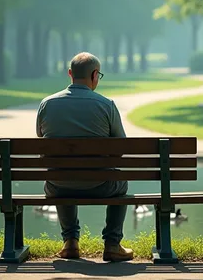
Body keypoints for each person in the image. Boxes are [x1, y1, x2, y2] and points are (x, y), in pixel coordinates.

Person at [36, 52, 133, 262]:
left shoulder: (47, 104)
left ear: (70, 74)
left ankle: (70, 242)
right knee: (121, 184)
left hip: (58, 185)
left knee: (60, 173)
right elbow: (120, 149)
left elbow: (42, 147)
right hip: (101, 185)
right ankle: (112, 244)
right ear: (95, 75)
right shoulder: (106, 105)